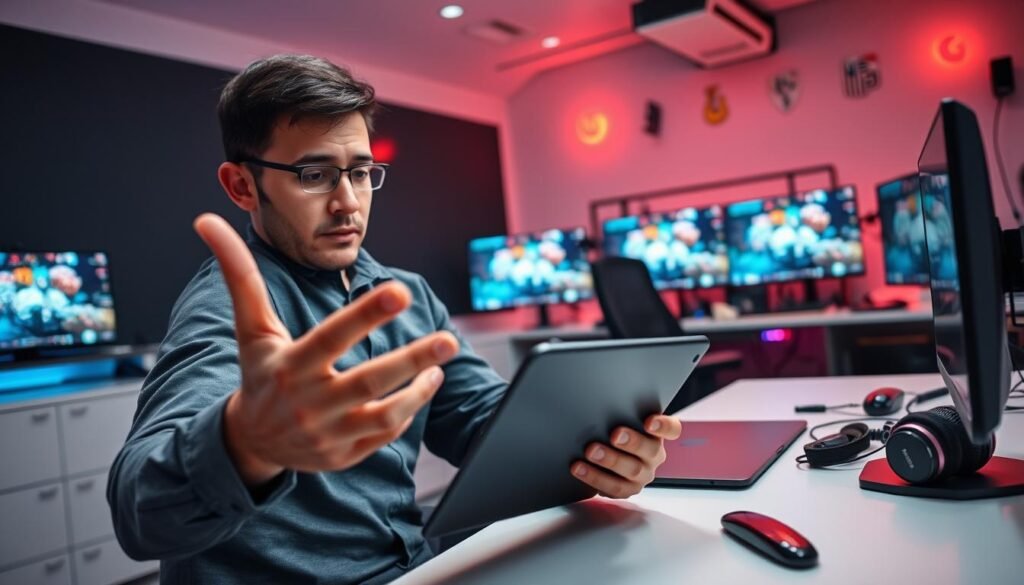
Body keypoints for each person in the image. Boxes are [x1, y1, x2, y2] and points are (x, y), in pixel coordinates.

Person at [107, 54, 681, 584]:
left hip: (413, 563)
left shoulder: (405, 295)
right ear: (242, 186)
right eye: (314, 175)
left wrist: (597, 449)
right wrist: (245, 442)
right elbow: (140, 511)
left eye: (360, 172)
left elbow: (481, 421)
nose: (348, 202)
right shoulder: (226, 307)